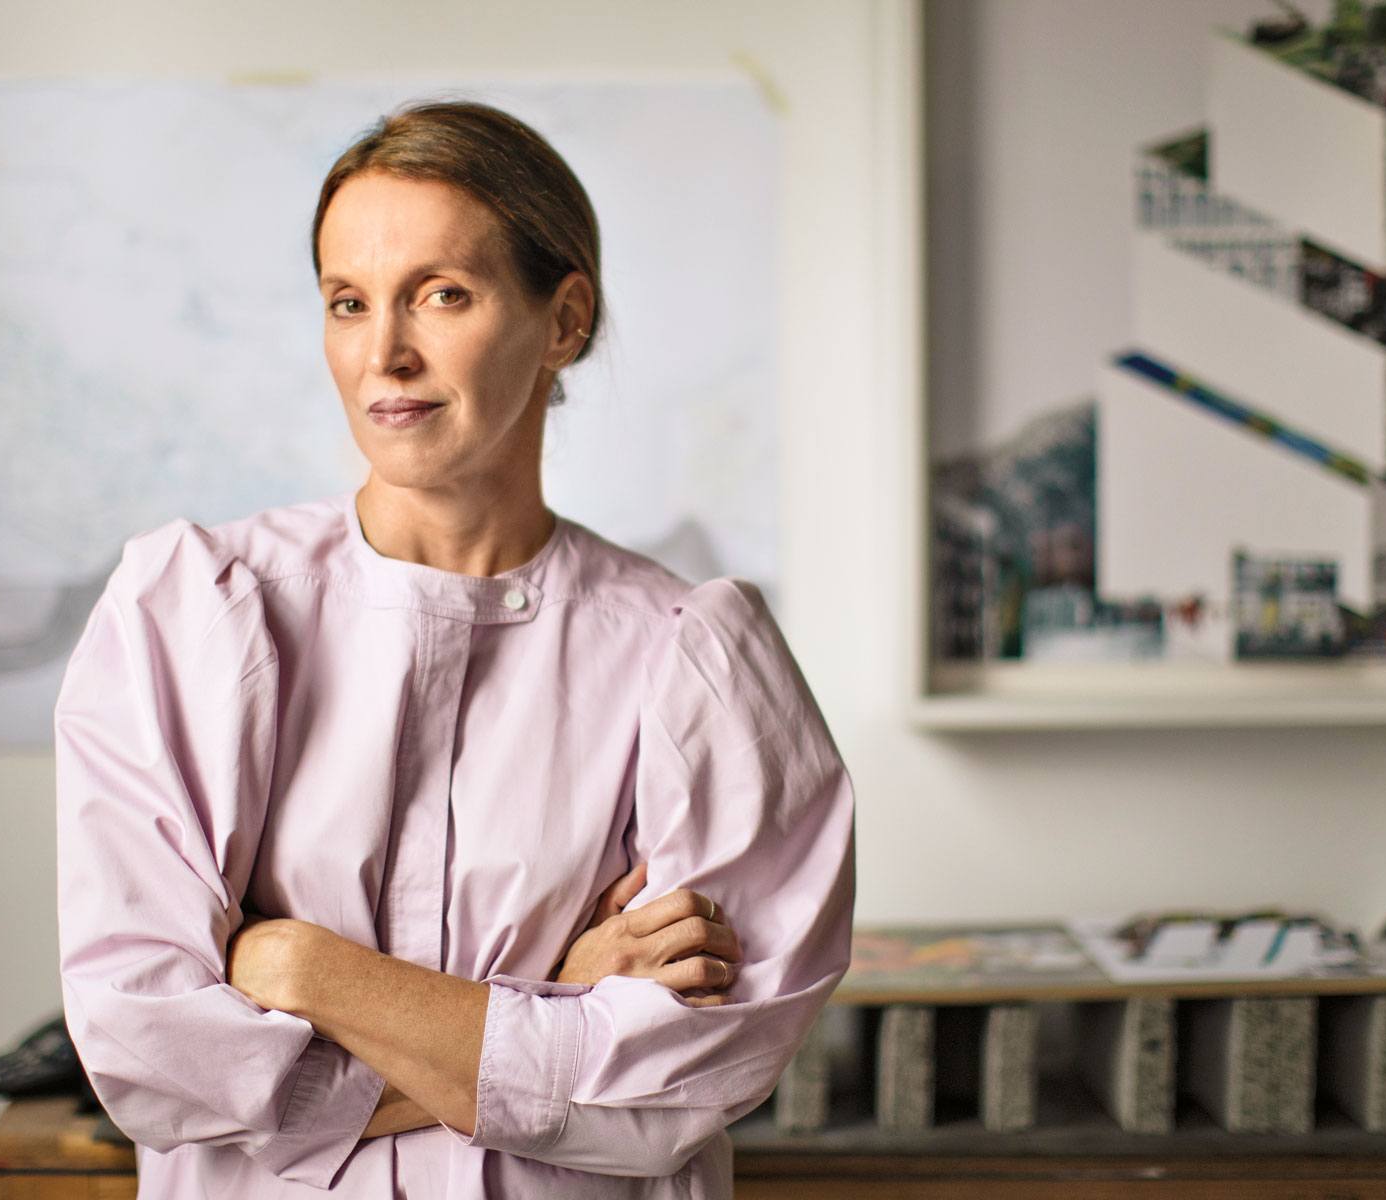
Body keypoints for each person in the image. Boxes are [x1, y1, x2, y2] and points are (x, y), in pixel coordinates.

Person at [53, 98, 856, 1198]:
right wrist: (556, 998)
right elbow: (155, 1059)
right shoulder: (192, 615)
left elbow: (684, 1085)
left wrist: (304, 966)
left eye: (442, 294)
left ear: (564, 320)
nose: (385, 354)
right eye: (348, 302)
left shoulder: (697, 659)